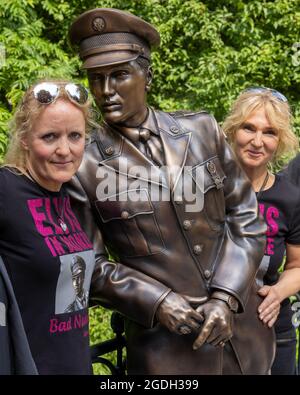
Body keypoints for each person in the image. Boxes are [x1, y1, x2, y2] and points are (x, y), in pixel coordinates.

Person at [67, 8, 275, 374]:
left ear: (147, 75)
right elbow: (87, 265)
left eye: (119, 75)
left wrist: (225, 297)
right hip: (166, 350)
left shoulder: (202, 130)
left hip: (246, 336)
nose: (105, 91)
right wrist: (157, 300)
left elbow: (245, 216)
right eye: (95, 79)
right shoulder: (83, 166)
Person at [0, 79, 170, 375]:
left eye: (74, 136)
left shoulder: (69, 194)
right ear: (25, 138)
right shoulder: (7, 189)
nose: (64, 149)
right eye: (49, 137)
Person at [223, 87, 300, 375]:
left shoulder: (290, 198)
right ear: (233, 129)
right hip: (211, 333)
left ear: (279, 141)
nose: (257, 141)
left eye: (269, 132)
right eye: (249, 128)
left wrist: (278, 292)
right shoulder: (206, 189)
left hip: (271, 331)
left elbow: (296, 266)